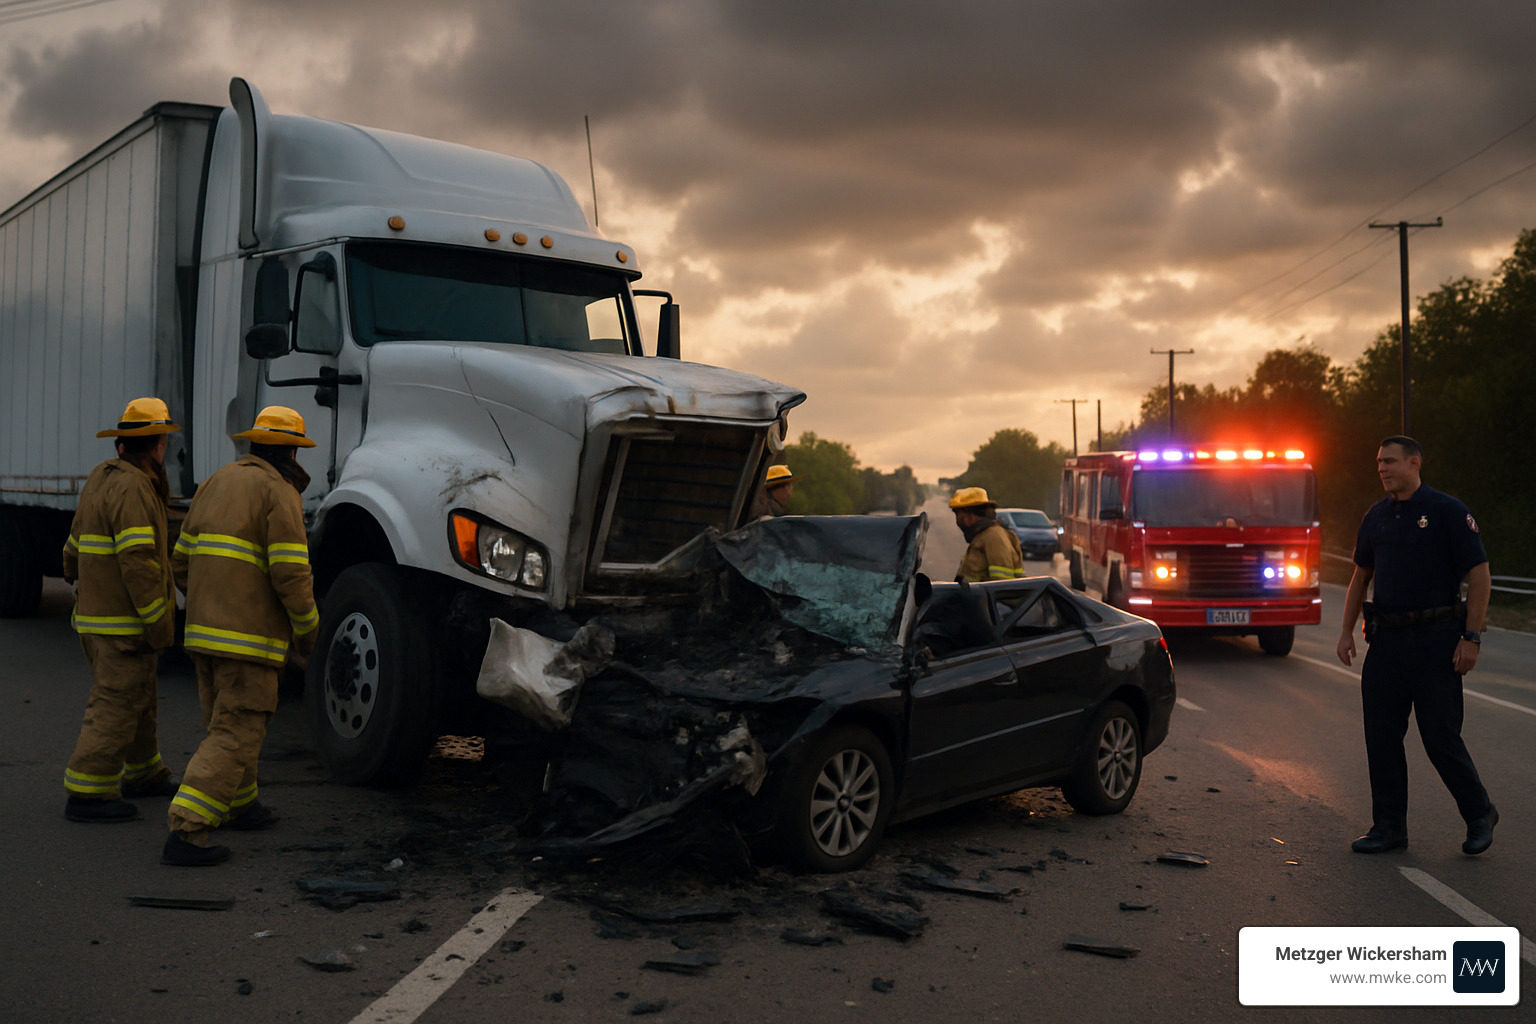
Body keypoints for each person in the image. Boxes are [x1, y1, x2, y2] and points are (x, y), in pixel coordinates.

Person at [162, 407, 319, 866]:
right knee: (237, 731)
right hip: (248, 644)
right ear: (290, 450)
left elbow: (181, 561)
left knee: (227, 724)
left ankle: (240, 804)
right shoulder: (279, 492)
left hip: (203, 637)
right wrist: (309, 631)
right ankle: (187, 829)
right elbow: (292, 574)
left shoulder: (216, 481)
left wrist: (212, 602)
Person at [1336, 436, 1496, 856]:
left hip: (1436, 641)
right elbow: (1360, 576)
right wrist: (1345, 631)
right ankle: (1389, 828)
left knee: (1440, 736)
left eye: (1389, 461)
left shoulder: (1447, 511)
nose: (1382, 468)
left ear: (1414, 463)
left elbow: (1479, 575)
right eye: (1378, 462)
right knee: (1382, 737)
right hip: (1387, 642)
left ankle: (1479, 813)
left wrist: (1471, 637)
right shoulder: (1377, 517)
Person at [60, 398, 182, 822]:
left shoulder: (101, 477)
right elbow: (139, 564)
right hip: (122, 625)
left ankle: (145, 773)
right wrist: (160, 626)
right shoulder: (134, 488)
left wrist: (71, 569)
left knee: (139, 697)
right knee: (116, 701)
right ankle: (88, 791)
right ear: (158, 444)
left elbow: (75, 542)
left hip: (97, 619)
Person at [950, 487, 1025, 583]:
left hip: (986, 598)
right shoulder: (983, 536)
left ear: (971, 515)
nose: (957, 520)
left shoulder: (993, 537)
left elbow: (1002, 585)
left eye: (959, 514)